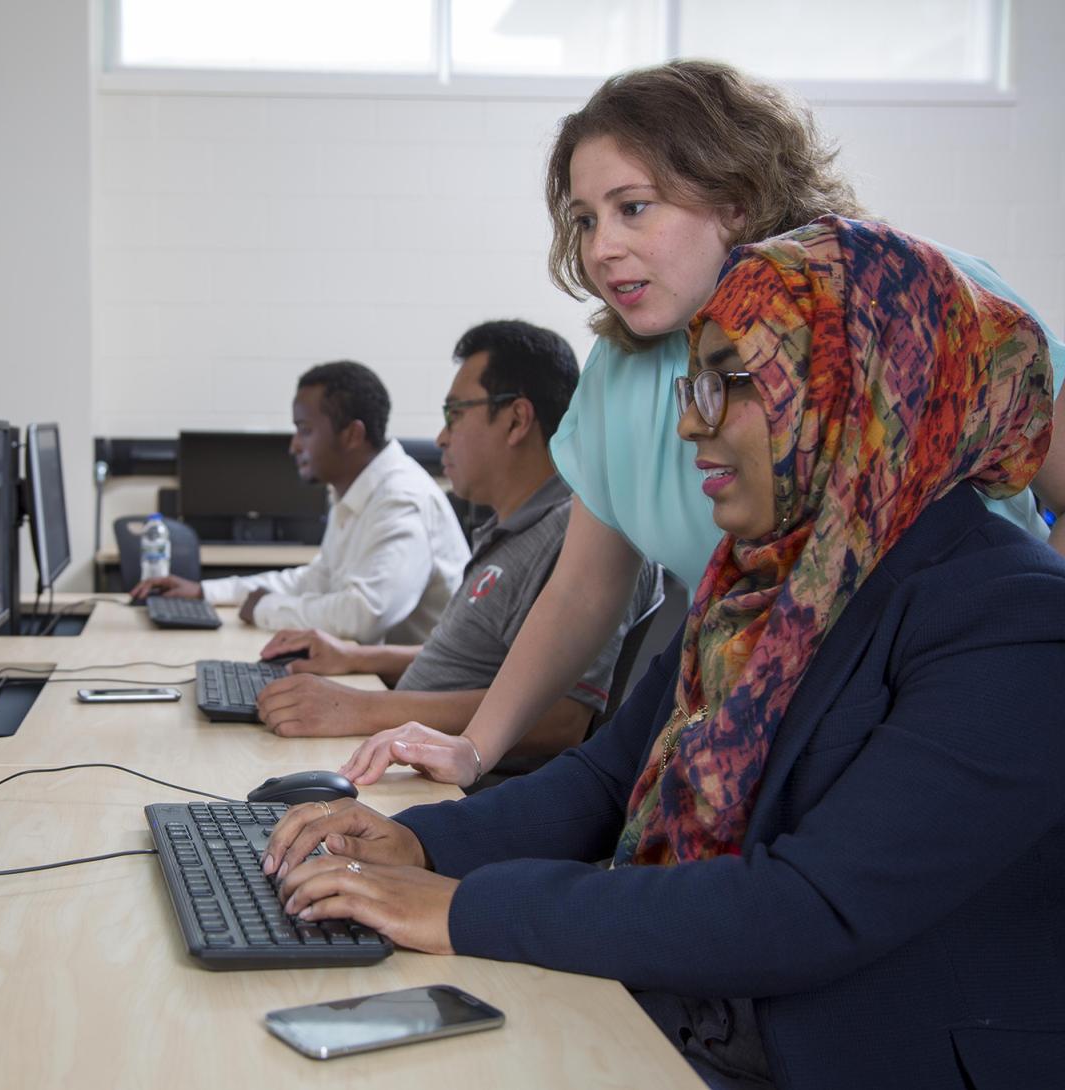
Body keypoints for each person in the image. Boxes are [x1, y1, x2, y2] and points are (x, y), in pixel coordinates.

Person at [264, 218, 1065, 1089]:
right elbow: (607, 781)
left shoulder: (1011, 619)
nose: (691, 423)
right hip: (679, 1016)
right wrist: (414, 846)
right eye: (694, 385)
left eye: (734, 383)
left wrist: (462, 906)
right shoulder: (757, 584)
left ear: (858, 388)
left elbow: (807, 909)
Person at [339, 58, 1065, 787]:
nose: (600, 248)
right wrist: (473, 748)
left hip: (950, 715)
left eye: (633, 207)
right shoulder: (620, 374)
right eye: (585, 219)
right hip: (782, 737)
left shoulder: (914, 300)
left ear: (737, 200)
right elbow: (583, 591)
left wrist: (1031, 654)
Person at [252, 321, 661, 767]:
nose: (441, 437)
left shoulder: (577, 539)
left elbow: (560, 718)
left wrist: (359, 708)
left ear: (516, 419)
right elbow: (482, 668)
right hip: (402, 753)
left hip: (455, 789)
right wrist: (354, 657)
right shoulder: (515, 529)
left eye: (455, 414)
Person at [130, 360, 469, 644]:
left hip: (413, 698)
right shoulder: (355, 491)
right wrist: (206, 592)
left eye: (304, 430)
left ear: (352, 434)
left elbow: (363, 615)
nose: (294, 446)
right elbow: (317, 580)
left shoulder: (400, 499)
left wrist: (265, 609)